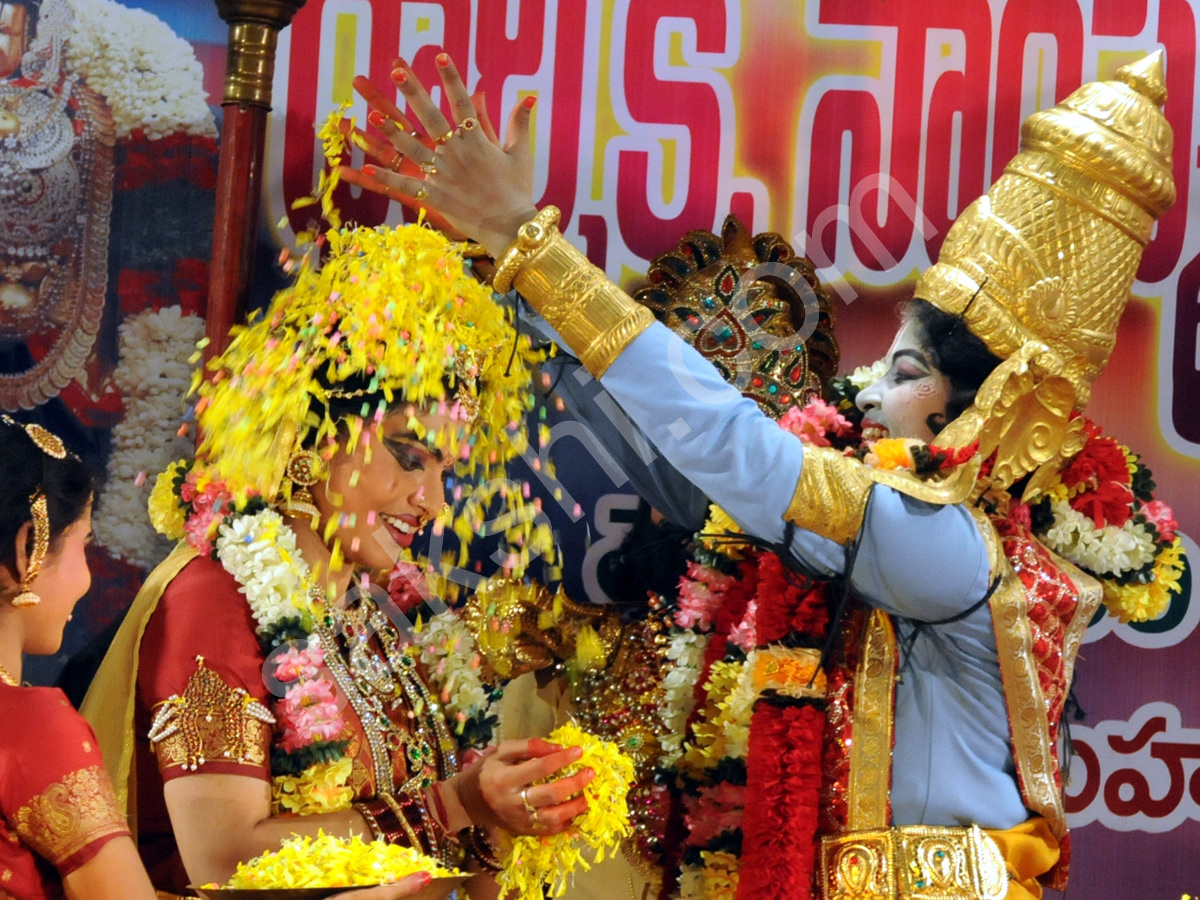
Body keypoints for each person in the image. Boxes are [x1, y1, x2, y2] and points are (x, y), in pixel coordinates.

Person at [346, 50, 1179, 899]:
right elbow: (686, 443)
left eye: (901, 375)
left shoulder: (951, 551)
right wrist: (513, 267)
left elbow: (727, 443)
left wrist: (529, 239)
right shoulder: (889, 524)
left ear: (989, 407)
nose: (867, 399)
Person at [81, 224, 594, 899]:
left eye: (445, 470)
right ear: (310, 443)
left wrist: (500, 818)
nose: (434, 501)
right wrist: (457, 804)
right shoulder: (214, 598)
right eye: (409, 456)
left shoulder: (379, 608)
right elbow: (225, 858)